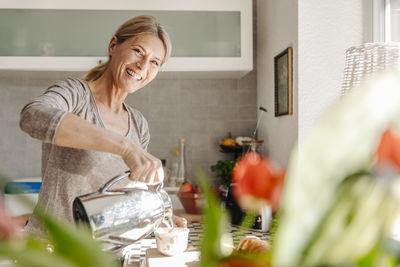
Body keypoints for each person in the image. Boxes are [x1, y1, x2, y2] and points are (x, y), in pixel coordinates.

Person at [20, 15, 186, 235]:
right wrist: (124, 146)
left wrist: (160, 215)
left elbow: (130, 198)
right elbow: (32, 116)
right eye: (138, 51)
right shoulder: (76, 95)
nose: (143, 66)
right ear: (113, 45)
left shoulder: (138, 124)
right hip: (53, 249)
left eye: (154, 62)